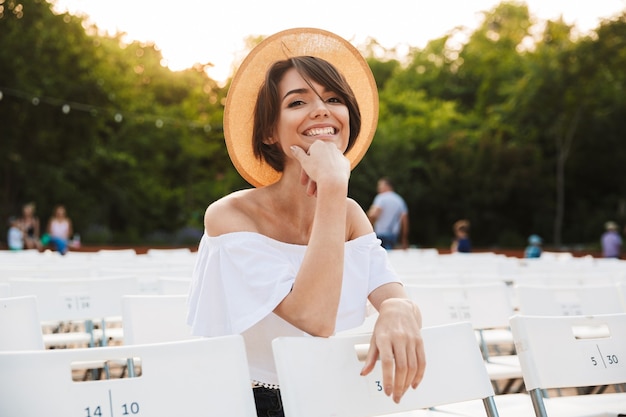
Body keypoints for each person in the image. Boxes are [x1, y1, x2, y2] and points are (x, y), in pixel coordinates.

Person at [186, 28, 425, 417]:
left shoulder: (349, 214)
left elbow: (392, 293)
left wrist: (399, 310)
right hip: (252, 402)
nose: (322, 110)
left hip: (338, 393)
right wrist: (332, 188)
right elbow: (314, 319)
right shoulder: (229, 216)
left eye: (334, 99)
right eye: (298, 102)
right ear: (267, 131)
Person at [367, 177, 409, 250]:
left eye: (380, 185)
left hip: (379, 234)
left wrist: (368, 229)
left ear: (387, 186)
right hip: (393, 235)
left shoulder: (380, 198)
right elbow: (404, 221)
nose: (378, 188)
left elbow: (373, 215)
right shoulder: (399, 200)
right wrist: (404, 239)